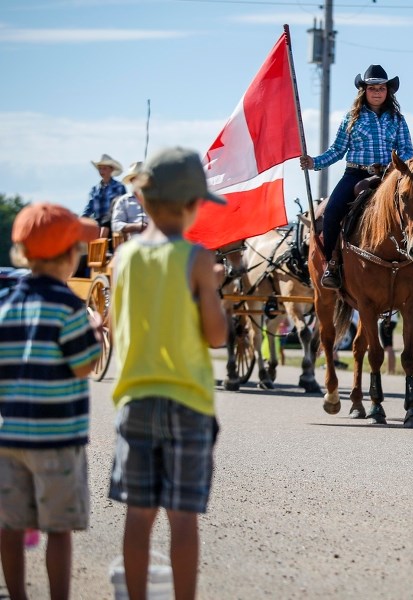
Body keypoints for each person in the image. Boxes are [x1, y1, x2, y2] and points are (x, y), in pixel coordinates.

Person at [108, 147, 228, 600]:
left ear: (145, 199)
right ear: (194, 205)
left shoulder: (123, 260)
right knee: (183, 517)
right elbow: (215, 336)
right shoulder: (196, 259)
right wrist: (210, 289)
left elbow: (120, 333)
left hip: (135, 399)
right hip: (188, 402)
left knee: (138, 516)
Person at [0, 203, 101, 600]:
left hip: (10, 441)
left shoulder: (5, 306)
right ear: (69, 256)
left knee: (9, 525)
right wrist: (96, 333)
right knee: (58, 528)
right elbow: (83, 365)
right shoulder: (69, 306)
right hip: (58, 440)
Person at [300, 64, 413, 289]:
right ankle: (333, 264)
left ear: (388, 92)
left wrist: (409, 170)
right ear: (364, 91)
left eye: (381, 88)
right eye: (372, 88)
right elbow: (337, 150)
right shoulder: (352, 118)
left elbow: (406, 150)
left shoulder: (397, 119)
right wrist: (314, 162)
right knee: (331, 213)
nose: (377, 92)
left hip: (390, 176)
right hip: (355, 173)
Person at [82, 153, 126, 238]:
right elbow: (89, 208)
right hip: (98, 227)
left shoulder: (119, 187)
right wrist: (82, 220)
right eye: (100, 169)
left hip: (114, 227)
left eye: (104, 169)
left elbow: (123, 208)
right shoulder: (94, 189)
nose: (101, 171)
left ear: (111, 169)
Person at [111, 160, 148, 241]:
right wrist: (136, 226)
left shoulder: (157, 199)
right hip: (133, 241)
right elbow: (116, 225)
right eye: (136, 178)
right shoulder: (123, 201)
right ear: (131, 181)